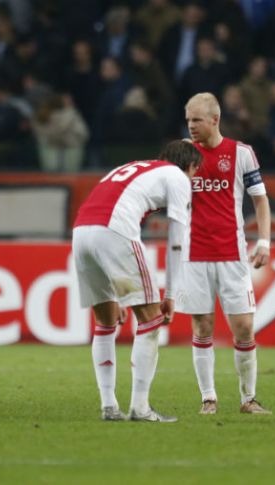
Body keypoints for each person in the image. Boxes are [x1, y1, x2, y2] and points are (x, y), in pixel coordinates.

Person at [72, 140, 202, 422]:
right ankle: (140, 407)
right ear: (191, 166)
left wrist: (116, 294)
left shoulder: (131, 168)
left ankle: (109, 405)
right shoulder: (178, 176)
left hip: (81, 232)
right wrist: (171, 293)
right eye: (195, 172)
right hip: (114, 231)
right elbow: (178, 239)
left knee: (105, 323)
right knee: (151, 319)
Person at [177, 92, 272, 415]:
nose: (191, 125)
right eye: (188, 119)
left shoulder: (241, 153)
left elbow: (260, 199)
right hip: (194, 254)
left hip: (232, 254)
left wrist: (264, 241)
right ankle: (208, 398)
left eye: (197, 120)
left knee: (244, 326)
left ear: (215, 120)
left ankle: (248, 398)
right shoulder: (183, 154)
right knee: (202, 326)